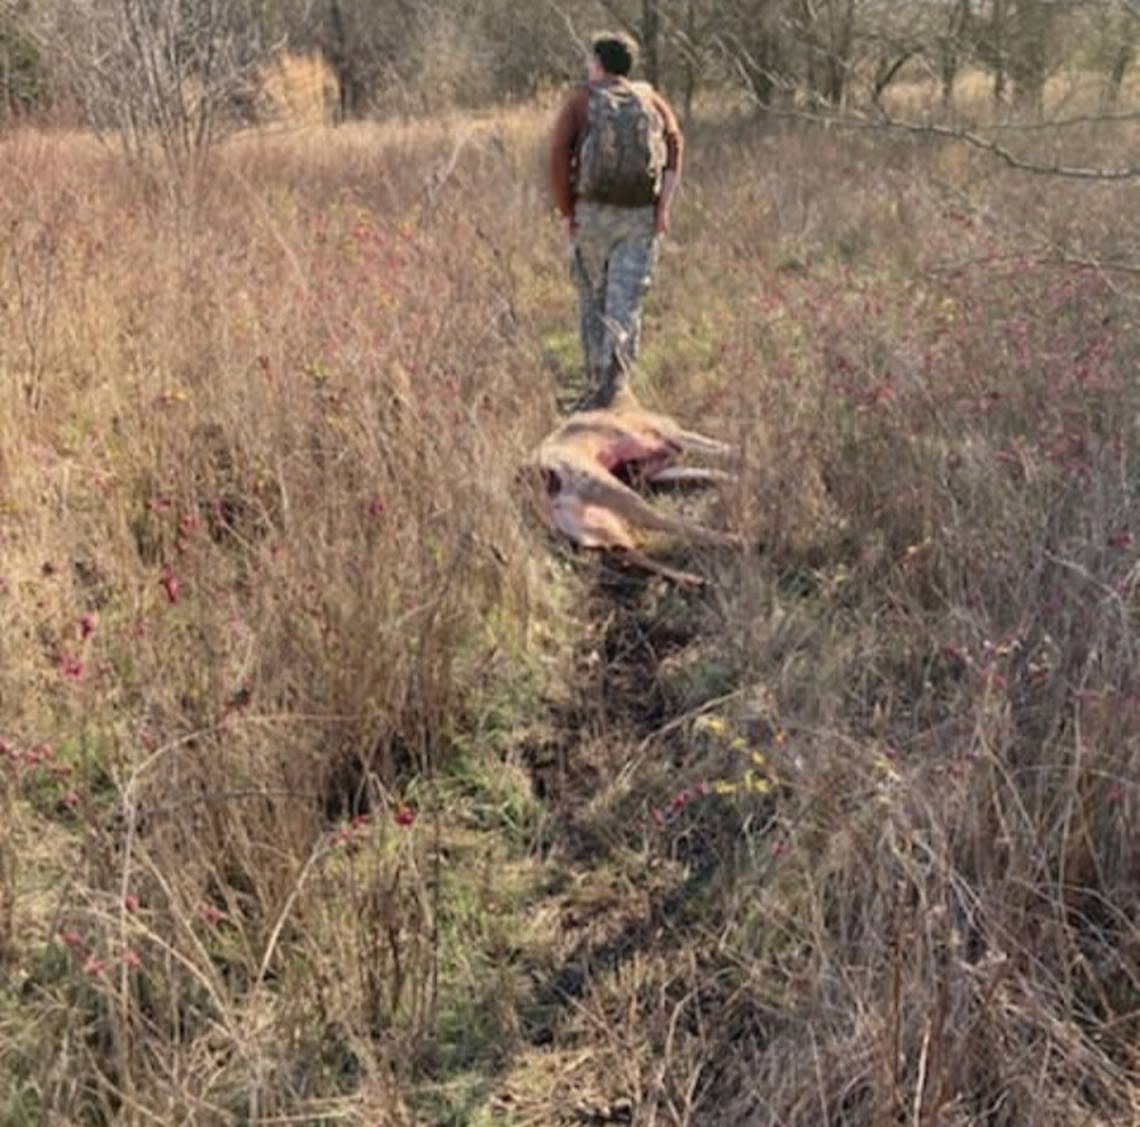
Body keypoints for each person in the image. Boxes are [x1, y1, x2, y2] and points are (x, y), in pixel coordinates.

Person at [549, 32, 683, 409]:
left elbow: (558, 154)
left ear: (597, 63)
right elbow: (674, 145)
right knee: (626, 302)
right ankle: (619, 387)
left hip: (591, 217)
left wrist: (566, 210)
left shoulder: (581, 100)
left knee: (593, 299)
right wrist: (663, 206)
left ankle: (597, 389)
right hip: (640, 217)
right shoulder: (650, 99)